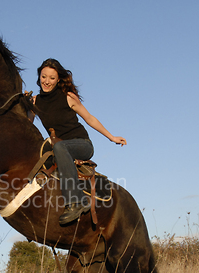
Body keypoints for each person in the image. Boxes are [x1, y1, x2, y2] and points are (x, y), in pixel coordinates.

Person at [30, 58, 127, 225]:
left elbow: (89, 118)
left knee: (60, 147)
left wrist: (111, 137)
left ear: (58, 79)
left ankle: (77, 201)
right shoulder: (34, 101)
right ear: (39, 76)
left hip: (81, 144)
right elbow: (27, 126)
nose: (47, 81)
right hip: (60, 148)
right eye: (44, 76)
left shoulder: (68, 97)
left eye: (52, 78)